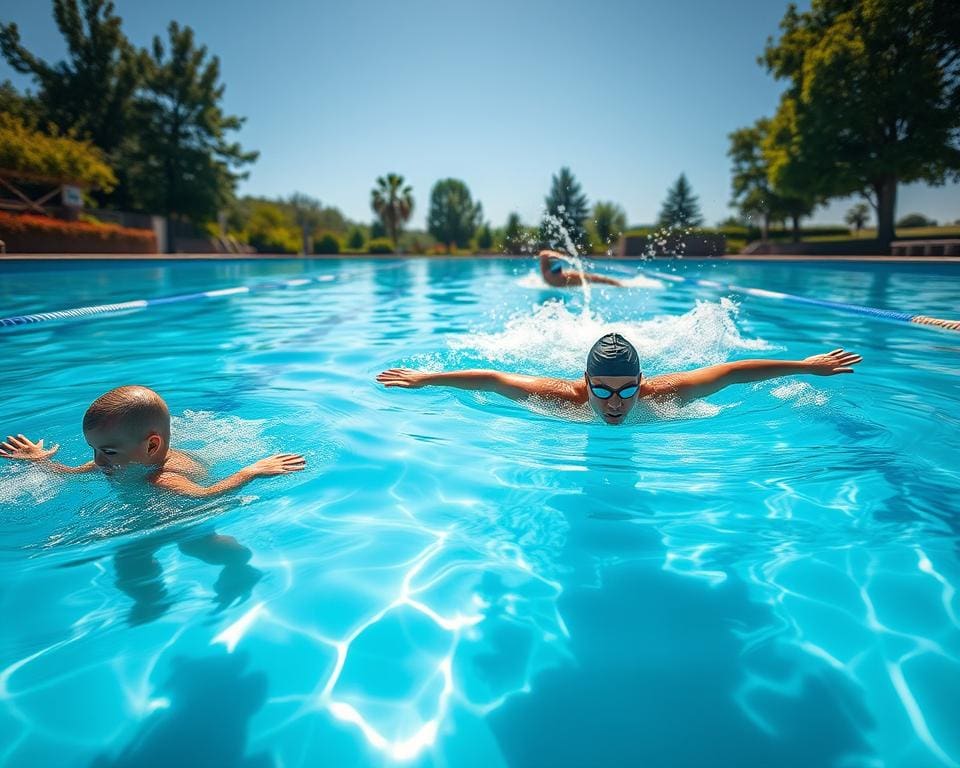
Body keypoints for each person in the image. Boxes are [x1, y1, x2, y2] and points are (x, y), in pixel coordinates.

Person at [377, 333, 862, 425]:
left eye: (627, 389)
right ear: (584, 382)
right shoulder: (561, 399)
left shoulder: (663, 395)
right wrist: (426, 379)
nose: (615, 403)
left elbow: (733, 373)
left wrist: (806, 367)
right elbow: (493, 379)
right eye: (603, 391)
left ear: (641, 381)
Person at [0, 385, 306, 495]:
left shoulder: (164, 480)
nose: (96, 461)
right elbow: (70, 476)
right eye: (93, 449)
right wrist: (40, 460)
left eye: (106, 451)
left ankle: (234, 562)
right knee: (130, 563)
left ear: (151, 446)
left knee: (202, 545)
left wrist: (249, 471)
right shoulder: (115, 461)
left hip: (187, 515)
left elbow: (207, 496)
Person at [539, 249, 625, 288]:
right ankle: (618, 283)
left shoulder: (548, 274)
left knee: (594, 279)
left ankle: (617, 283)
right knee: (595, 279)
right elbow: (548, 255)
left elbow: (546, 255)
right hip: (557, 279)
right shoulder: (547, 256)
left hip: (554, 280)